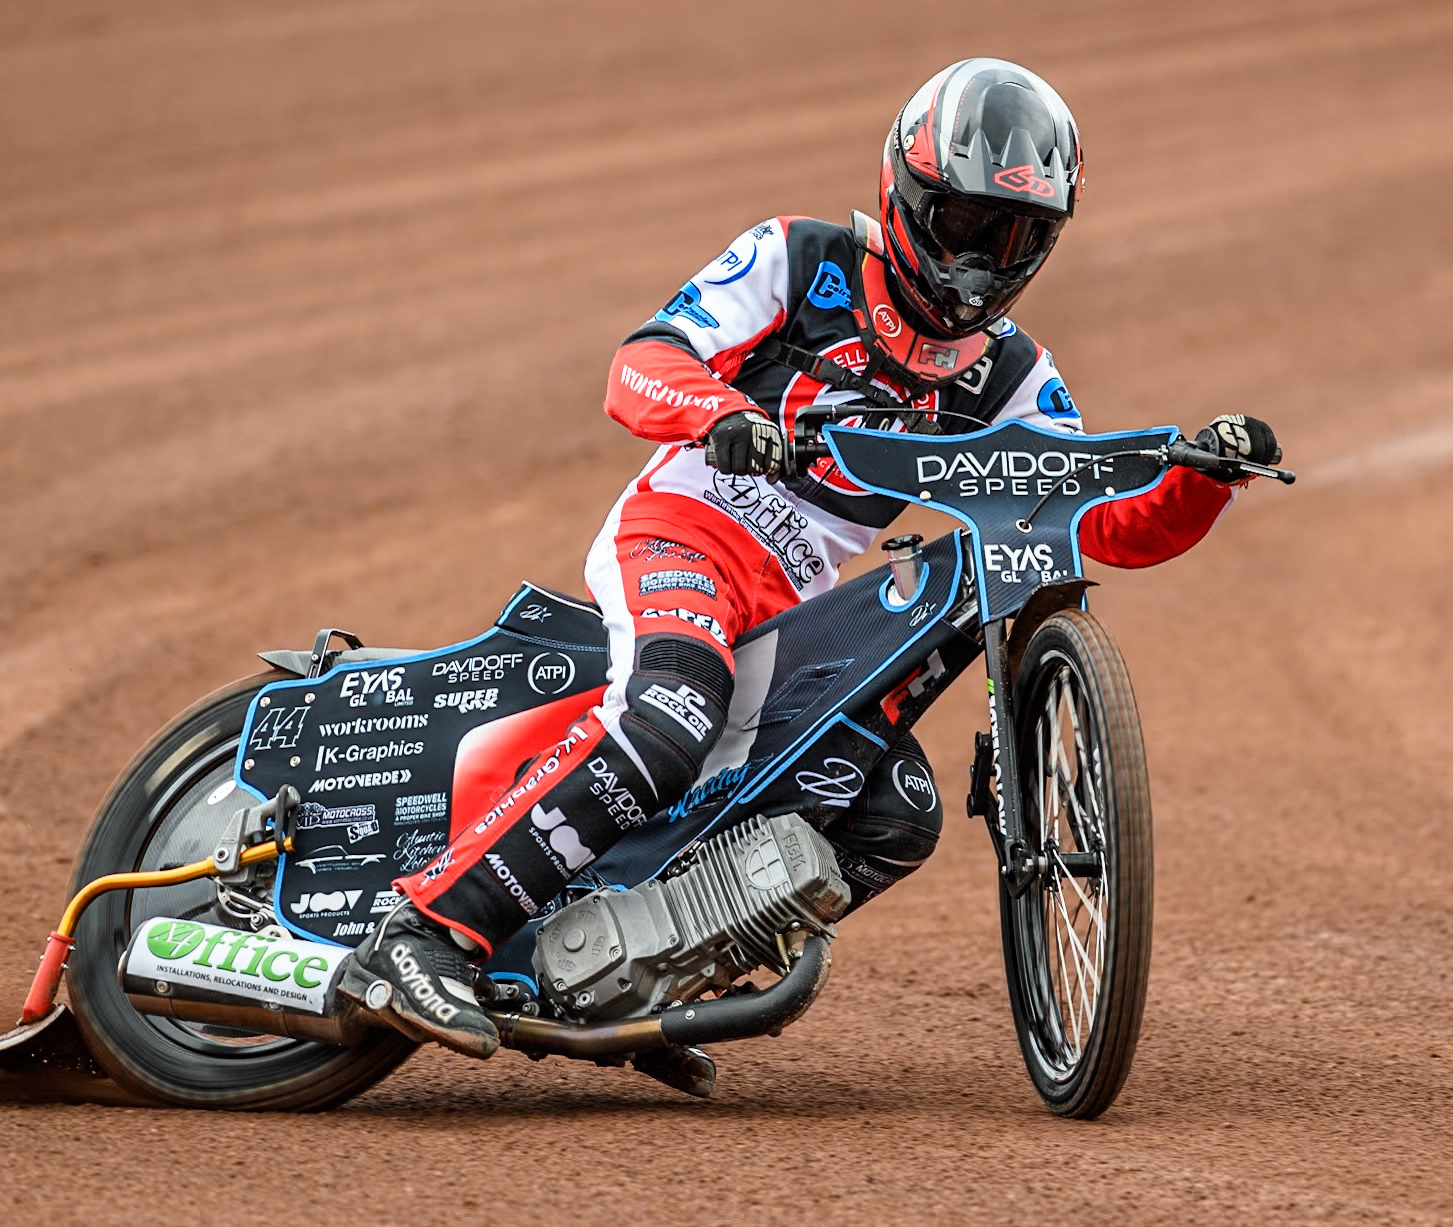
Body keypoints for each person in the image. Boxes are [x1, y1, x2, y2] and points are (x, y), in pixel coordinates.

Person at [335, 58, 1282, 1070]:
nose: (981, 263)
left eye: (1017, 239)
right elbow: (642, 363)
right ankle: (422, 933)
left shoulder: (1015, 377)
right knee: (672, 714)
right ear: (908, 196)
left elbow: (1093, 521)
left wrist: (1202, 479)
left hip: (786, 608)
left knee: (892, 811)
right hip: (685, 531)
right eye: (966, 227)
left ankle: (640, 970)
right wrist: (723, 413)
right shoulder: (799, 259)